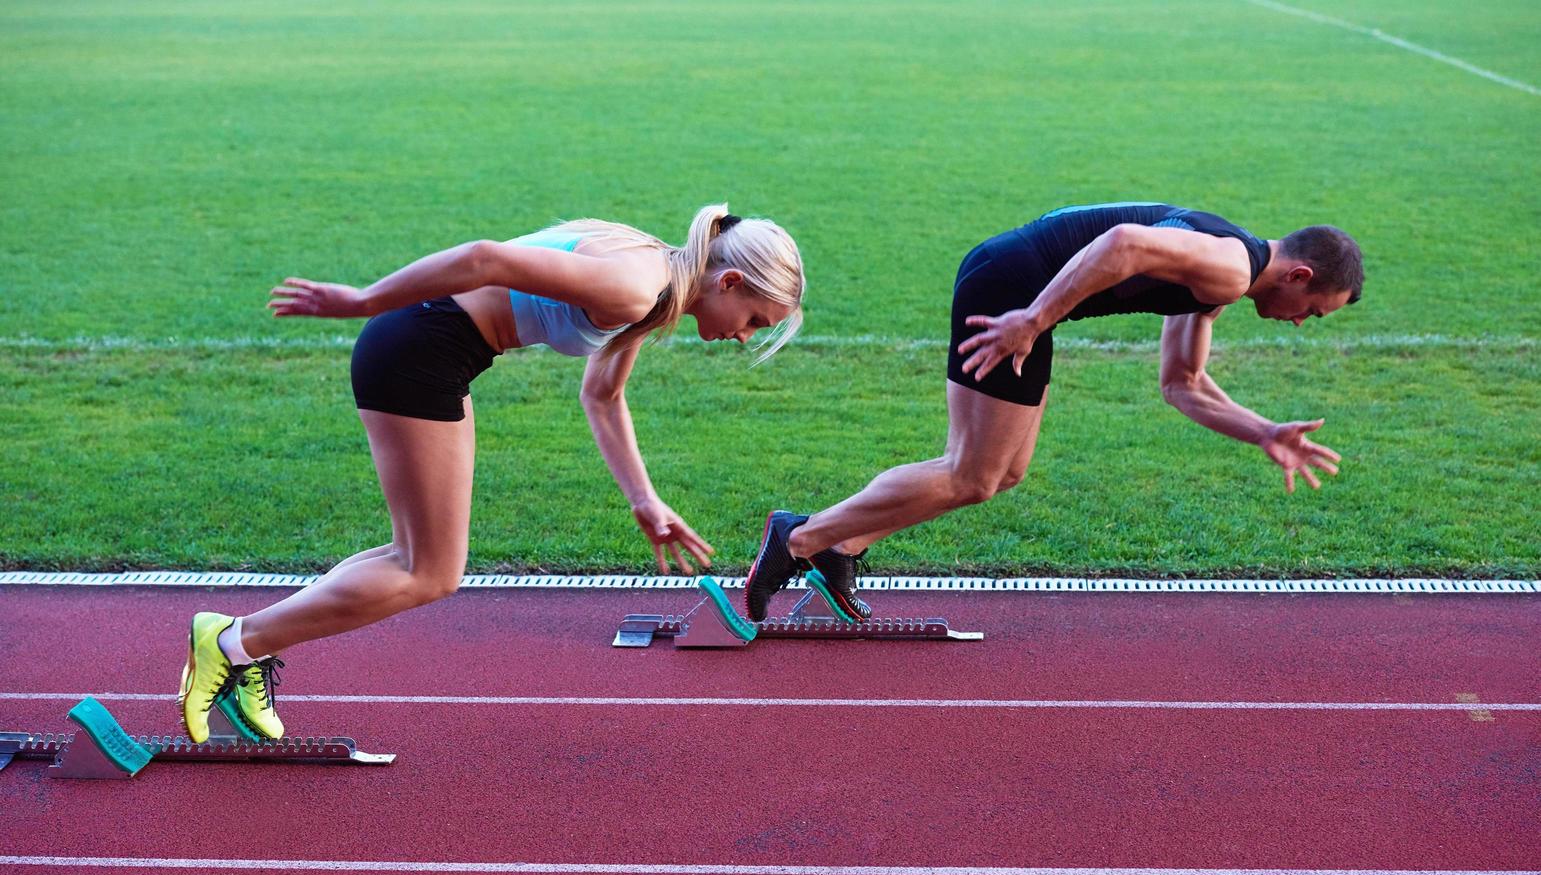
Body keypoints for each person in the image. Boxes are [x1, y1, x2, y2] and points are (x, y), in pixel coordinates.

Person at [178, 204, 804, 742]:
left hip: (432, 350)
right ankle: (233, 644)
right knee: (428, 571)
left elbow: (603, 394)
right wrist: (364, 300)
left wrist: (644, 498)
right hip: (421, 348)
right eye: (754, 321)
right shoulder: (636, 285)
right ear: (727, 282)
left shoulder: (659, 280)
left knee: (413, 558)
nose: (745, 338)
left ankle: (244, 649)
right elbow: (485, 258)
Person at [743, 202, 1361, 622]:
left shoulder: (1223, 263)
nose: (1304, 323)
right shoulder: (1229, 267)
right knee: (972, 472)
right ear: (1299, 275)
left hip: (1015, 282)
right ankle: (799, 537)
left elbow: (1183, 384)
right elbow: (1123, 242)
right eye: (1314, 310)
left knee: (1000, 473)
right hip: (1012, 289)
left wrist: (1265, 432)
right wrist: (1034, 319)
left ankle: (841, 544)